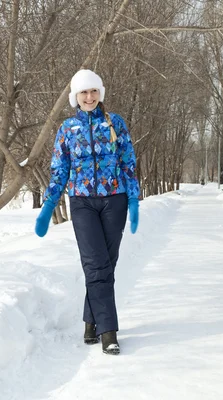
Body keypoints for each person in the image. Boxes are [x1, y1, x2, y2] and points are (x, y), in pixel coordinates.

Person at [35, 69, 140, 355]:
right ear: (75, 97)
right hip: (81, 203)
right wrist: (48, 205)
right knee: (96, 265)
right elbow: (59, 170)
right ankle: (109, 332)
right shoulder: (67, 129)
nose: (89, 97)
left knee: (106, 265)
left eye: (93, 91)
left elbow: (128, 161)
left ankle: (90, 320)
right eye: (84, 92)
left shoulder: (114, 123)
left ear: (100, 94)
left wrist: (133, 199)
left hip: (114, 201)